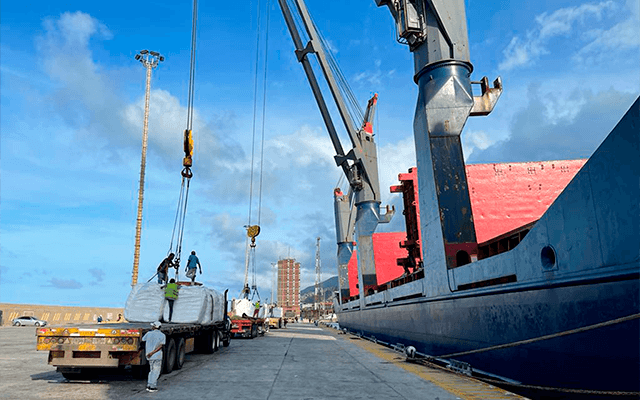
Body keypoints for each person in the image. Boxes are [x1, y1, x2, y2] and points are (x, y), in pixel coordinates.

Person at [142, 321, 166, 393]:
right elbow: (160, 346)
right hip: (157, 356)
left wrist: (150, 353)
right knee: (156, 371)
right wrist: (152, 352)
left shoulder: (148, 334)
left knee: (151, 371)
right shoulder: (162, 335)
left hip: (149, 356)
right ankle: (153, 387)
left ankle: (149, 385)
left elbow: (143, 339)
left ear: (154, 327)